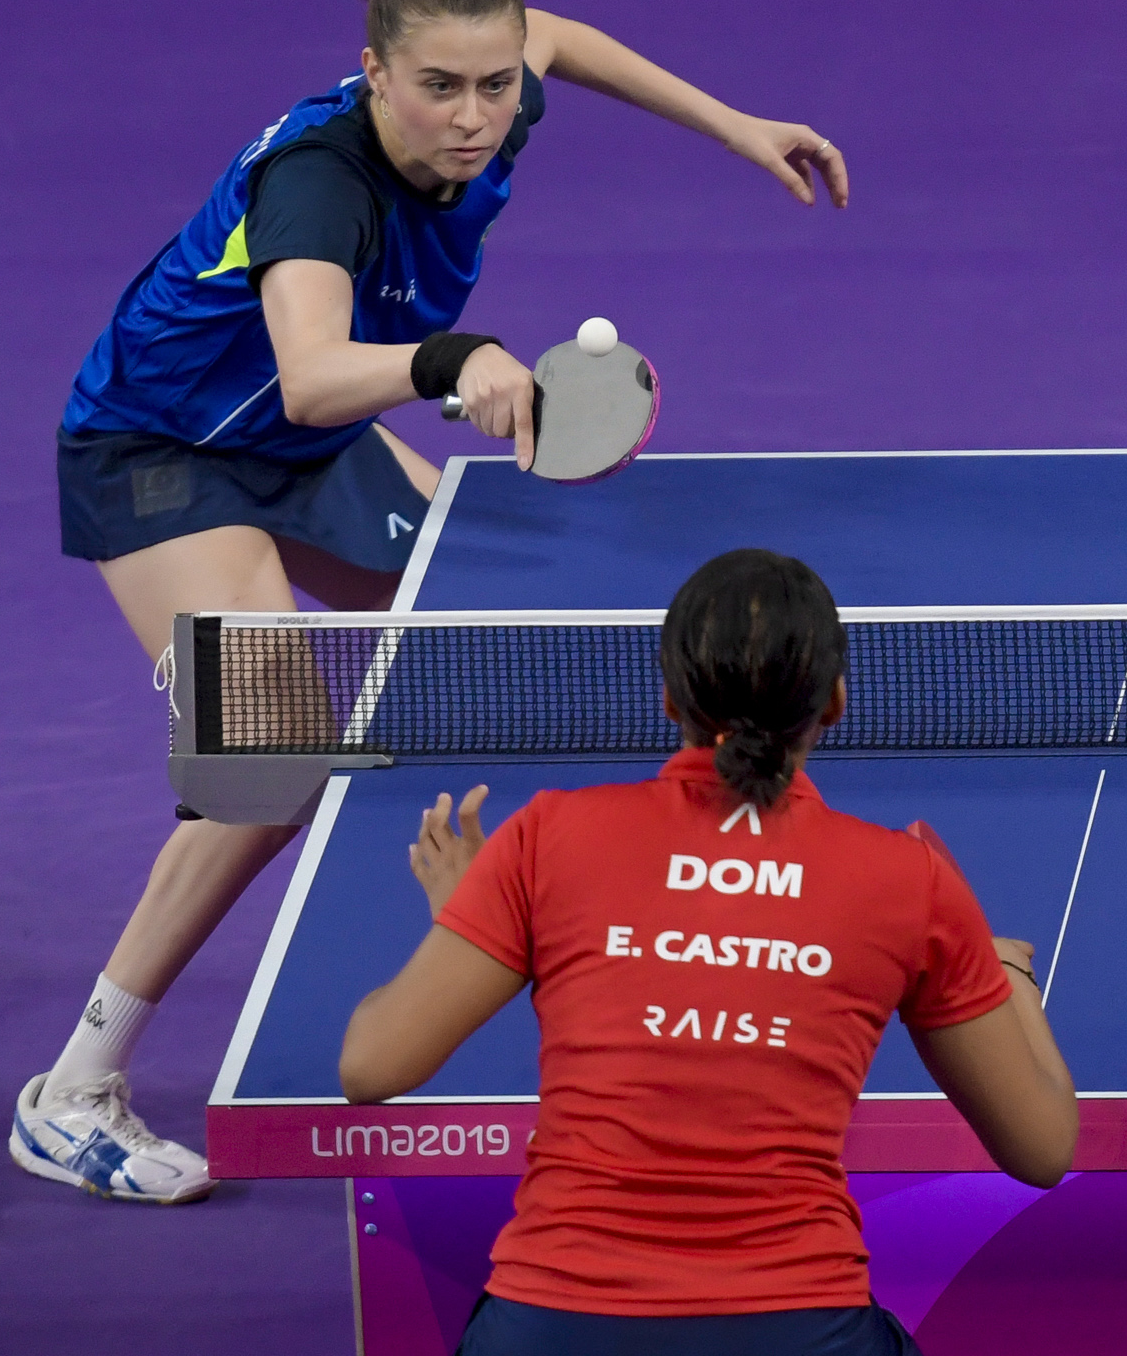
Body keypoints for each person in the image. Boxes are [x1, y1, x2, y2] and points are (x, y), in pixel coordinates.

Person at [12, 0, 853, 1204]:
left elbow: (563, 40)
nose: (473, 116)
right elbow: (307, 372)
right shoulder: (317, 187)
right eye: (438, 89)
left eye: (491, 85)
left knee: (501, 623)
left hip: (300, 451)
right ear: (374, 75)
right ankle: (74, 1091)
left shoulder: (504, 81)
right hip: (167, 455)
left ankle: (674, 956)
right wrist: (455, 361)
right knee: (271, 765)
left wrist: (736, 126)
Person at [342, 548, 1078, 1354]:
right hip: (798, 1329)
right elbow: (1042, 1149)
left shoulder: (548, 837)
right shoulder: (910, 880)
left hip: (553, 1326)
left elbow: (372, 1066)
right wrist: (1005, 975)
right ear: (835, 701)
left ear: (668, 699)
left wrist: (465, 917)